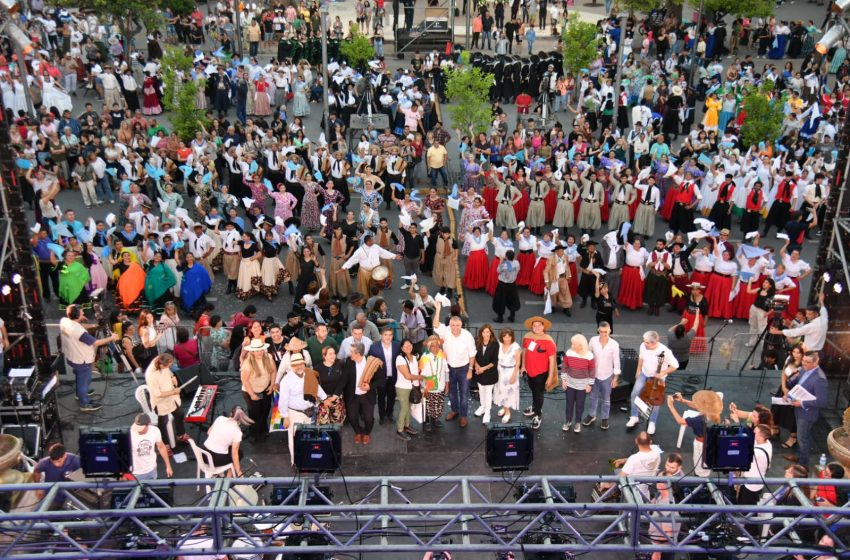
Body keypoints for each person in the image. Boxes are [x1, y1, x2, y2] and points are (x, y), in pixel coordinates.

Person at [59, 304, 118, 412]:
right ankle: (84, 403)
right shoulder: (79, 332)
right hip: (81, 360)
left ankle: (80, 394)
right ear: (76, 315)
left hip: (72, 356)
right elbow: (96, 342)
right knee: (84, 380)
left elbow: (79, 327)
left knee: (79, 377)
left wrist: (93, 325)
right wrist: (111, 338)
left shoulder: (64, 321)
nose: (83, 313)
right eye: (81, 312)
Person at [432, 299, 477, 427]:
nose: (455, 328)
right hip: (449, 368)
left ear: (461, 325)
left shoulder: (467, 336)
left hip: (463, 369)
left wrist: (470, 370)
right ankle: (455, 410)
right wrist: (438, 310)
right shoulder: (445, 331)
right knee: (452, 392)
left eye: (457, 325)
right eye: (453, 325)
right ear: (450, 325)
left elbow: (472, 355)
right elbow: (435, 325)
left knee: (464, 393)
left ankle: (463, 416)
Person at [278, 353, 327, 468]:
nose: (299, 366)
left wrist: (325, 398)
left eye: (301, 364)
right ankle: (295, 462)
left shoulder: (309, 374)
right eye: (296, 365)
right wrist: (285, 417)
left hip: (309, 412)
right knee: (295, 439)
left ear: (304, 364)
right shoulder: (286, 381)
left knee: (308, 437)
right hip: (295, 414)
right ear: (291, 366)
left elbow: (317, 387)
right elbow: (283, 400)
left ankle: (307, 458)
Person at [626, 331, 680, 435]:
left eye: (647, 342)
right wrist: (638, 370)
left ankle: (652, 422)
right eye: (644, 341)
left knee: (656, 400)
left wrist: (663, 372)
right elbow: (641, 358)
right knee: (634, 394)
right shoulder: (643, 345)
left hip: (658, 379)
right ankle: (634, 416)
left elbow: (675, 365)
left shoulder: (665, 351)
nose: (644, 343)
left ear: (655, 343)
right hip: (644, 374)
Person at [781, 351, 828, 467]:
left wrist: (802, 403)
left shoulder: (820, 379)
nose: (804, 364)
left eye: (807, 362)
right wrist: (789, 394)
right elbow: (798, 385)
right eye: (803, 361)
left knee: (803, 439)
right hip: (799, 409)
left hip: (807, 414)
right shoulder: (803, 370)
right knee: (800, 436)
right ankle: (798, 456)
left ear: (816, 361)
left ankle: (803, 467)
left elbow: (822, 401)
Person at [666, 390, 723, 477]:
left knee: (700, 468)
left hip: (701, 444)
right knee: (706, 464)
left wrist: (671, 406)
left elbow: (680, 421)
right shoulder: (715, 413)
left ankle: (700, 482)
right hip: (712, 442)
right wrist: (683, 401)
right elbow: (698, 407)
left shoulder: (699, 420)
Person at [520, 316, 558, 430]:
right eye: (534, 325)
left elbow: (552, 360)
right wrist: (523, 366)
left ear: (543, 327)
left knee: (538, 393)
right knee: (533, 390)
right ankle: (535, 406)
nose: (536, 327)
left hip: (541, 373)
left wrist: (550, 376)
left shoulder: (548, 340)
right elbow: (525, 351)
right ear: (532, 326)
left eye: (539, 325)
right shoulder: (527, 337)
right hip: (529, 371)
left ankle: (538, 415)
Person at [144, 353, 190, 446]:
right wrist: (174, 392)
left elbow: (168, 371)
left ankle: (180, 435)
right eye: (168, 365)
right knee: (163, 423)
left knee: (179, 414)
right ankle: (165, 444)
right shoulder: (151, 375)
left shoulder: (160, 360)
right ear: (161, 365)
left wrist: (173, 377)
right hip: (160, 402)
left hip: (171, 397)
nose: (170, 366)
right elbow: (158, 394)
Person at [343, 342, 381, 445]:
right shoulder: (349, 362)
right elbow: (344, 380)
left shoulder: (371, 363)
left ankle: (367, 433)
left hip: (367, 396)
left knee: (368, 418)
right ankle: (358, 432)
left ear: (358, 353)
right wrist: (336, 394)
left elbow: (381, 380)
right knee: (352, 417)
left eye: (352, 352)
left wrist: (370, 386)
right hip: (353, 396)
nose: (350, 354)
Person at [585, 322, 620, 430]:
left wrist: (615, 378)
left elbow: (616, 361)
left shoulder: (614, 344)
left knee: (606, 399)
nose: (603, 334)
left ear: (610, 331)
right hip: (593, 375)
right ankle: (591, 415)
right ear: (598, 330)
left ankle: (605, 418)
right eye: (601, 331)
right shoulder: (593, 340)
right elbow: (587, 355)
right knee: (592, 397)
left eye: (605, 332)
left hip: (607, 376)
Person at [240, 339, 276, 441]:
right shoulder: (247, 364)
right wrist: (252, 394)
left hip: (265, 388)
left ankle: (263, 429)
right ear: (252, 351)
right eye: (256, 350)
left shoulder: (268, 357)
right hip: (250, 391)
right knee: (255, 414)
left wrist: (272, 384)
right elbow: (245, 381)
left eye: (261, 349)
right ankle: (255, 434)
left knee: (265, 410)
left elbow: (273, 371)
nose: (259, 352)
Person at [203, 406, 254, 476]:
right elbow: (234, 453)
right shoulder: (237, 432)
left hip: (203, 454)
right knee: (239, 454)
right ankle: (228, 477)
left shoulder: (220, 418)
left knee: (230, 450)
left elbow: (208, 432)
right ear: (241, 419)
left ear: (230, 413)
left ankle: (227, 476)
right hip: (215, 460)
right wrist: (239, 472)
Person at [561, 334, 595, 433]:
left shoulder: (589, 355)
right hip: (570, 383)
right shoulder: (569, 353)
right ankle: (568, 421)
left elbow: (592, 371)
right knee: (569, 404)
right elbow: (564, 367)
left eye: (574, 344)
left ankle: (577, 422)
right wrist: (563, 380)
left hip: (583, 385)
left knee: (580, 405)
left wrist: (590, 384)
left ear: (581, 345)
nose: (572, 346)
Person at [367, 326, 401, 424]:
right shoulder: (374, 347)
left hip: (394, 377)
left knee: (392, 397)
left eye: (390, 335)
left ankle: (390, 414)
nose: (388, 337)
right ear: (381, 335)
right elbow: (370, 362)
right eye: (385, 335)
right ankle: (382, 416)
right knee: (381, 398)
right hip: (380, 378)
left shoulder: (397, 346)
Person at [34, 444, 81, 509]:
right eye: (53, 462)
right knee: (41, 510)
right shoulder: (44, 462)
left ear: (65, 456)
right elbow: (37, 471)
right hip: (51, 491)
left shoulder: (75, 460)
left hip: (69, 489)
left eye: (59, 461)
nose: (56, 464)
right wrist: (38, 487)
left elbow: (83, 472)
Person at [395, 338, 424, 440]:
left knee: (409, 408)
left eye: (410, 345)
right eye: (405, 346)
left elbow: (416, 370)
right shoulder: (400, 359)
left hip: (413, 387)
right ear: (402, 348)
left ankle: (406, 426)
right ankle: (399, 430)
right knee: (404, 408)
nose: (408, 347)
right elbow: (407, 376)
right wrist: (420, 377)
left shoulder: (414, 357)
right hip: (403, 387)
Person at [736, 424, 773, 505]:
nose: (752, 434)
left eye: (755, 433)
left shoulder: (757, 453)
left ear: (761, 437)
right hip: (752, 482)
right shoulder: (767, 443)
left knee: (747, 508)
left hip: (752, 485)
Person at [129, 413, 173, 480]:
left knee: (153, 488)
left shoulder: (155, 431)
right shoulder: (130, 433)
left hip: (152, 469)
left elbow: (161, 447)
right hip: (135, 473)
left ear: (148, 425)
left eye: (141, 428)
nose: (138, 431)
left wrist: (168, 466)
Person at [473, 324, 499, 424]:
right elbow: (473, 355)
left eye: (487, 332)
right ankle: (482, 406)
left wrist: (483, 368)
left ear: (491, 333)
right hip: (479, 372)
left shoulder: (495, 344)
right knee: (481, 390)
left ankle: (487, 412)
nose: (485, 334)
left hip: (490, 373)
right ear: (481, 333)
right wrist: (476, 366)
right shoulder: (477, 342)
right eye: (483, 332)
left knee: (488, 393)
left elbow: (495, 361)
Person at [492, 249, 521, 323]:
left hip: (503, 285)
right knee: (512, 300)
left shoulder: (504, 265)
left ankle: (500, 317)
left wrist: (500, 262)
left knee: (500, 301)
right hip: (512, 284)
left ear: (506, 257)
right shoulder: (517, 263)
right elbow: (518, 270)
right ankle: (512, 316)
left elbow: (498, 271)